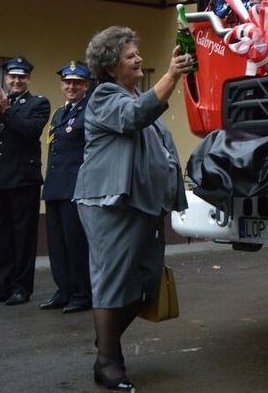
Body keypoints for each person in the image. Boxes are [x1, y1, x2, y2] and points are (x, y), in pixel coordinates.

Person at [75, 27, 191, 391]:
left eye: (137, 53)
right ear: (111, 67)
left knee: (144, 283)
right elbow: (134, 117)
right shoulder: (104, 97)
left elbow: (157, 145)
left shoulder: (136, 94)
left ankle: (105, 343)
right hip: (111, 205)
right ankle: (109, 363)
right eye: (129, 56)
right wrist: (172, 75)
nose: (138, 59)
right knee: (112, 279)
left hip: (144, 205)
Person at [0, 56, 50, 306]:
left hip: (22, 180)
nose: (16, 81)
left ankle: (21, 288)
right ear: (5, 78)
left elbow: (30, 130)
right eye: (12, 76)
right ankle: (2, 286)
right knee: (0, 237)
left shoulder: (38, 103)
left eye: (21, 77)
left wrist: (6, 112)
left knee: (23, 237)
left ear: (28, 79)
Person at [40, 61, 93, 314]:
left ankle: (82, 293)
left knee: (75, 243)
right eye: (67, 82)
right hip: (55, 186)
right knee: (57, 244)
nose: (71, 86)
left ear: (86, 85)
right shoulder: (59, 113)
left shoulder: (89, 111)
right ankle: (64, 290)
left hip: (75, 187)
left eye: (77, 82)